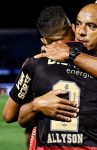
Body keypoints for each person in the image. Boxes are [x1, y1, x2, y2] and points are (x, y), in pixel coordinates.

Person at [17, 3, 97, 150]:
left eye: (91, 26)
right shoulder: (50, 61)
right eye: (79, 24)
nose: (81, 32)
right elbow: (16, 116)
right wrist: (36, 105)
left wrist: (72, 54)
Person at [3, 5, 80, 150]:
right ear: (74, 29)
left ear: (44, 41)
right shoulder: (94, 61)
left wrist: (36, 104)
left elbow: (8, 115)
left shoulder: (34, 64)